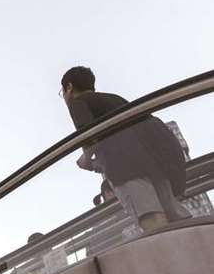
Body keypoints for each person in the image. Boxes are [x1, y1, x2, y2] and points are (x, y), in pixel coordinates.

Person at [60, 66, 190, 232]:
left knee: (152, 219)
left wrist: (85, 159)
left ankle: (171, 257)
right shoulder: (115, 98)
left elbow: (89, 135)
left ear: (69, 87)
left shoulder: (77, 102)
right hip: (155, 164)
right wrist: (94, 165)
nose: (64, 97)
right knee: (176, 215)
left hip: (126, 170)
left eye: (62, 92)